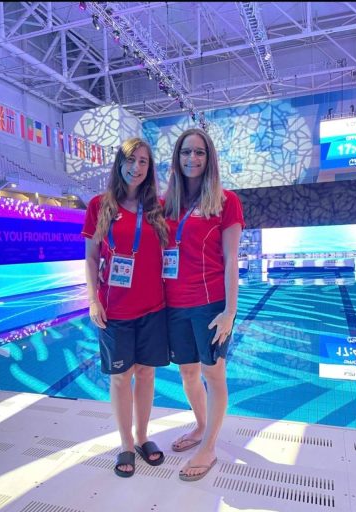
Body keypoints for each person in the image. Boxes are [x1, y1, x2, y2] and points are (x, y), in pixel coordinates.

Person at [81, 137, 170, 478]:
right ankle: (125, 445)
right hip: (114, 309)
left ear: (150, 169)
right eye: (131, 160)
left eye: (144, 162)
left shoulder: (157, 208)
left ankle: (144, 437)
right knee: (121, 378)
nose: (137, 167)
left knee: (146, 374)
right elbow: (90, 258)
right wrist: (91, 300)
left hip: (152, 307)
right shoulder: (99, 206)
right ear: (120, 163)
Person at [162, 128, 245, 481]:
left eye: (199, 153)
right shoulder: (167, 203)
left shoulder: (226, 201)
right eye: (185, 152)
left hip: (210, 304)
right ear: (176, 158)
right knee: (188, 372)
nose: (191, 159)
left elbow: (231, 259)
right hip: (174, 305)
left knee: (213, 373)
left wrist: (230, 311)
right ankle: (200, 426)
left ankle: (209, 446)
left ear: (209, 159)